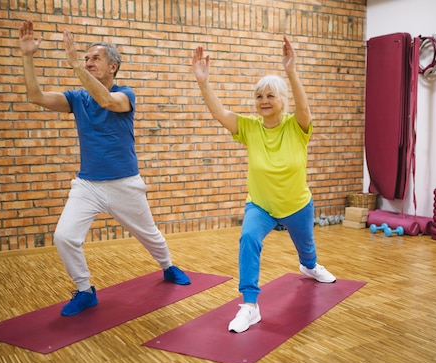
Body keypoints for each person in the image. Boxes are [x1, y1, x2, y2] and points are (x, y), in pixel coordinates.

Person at [18, 20, 191, 317]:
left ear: (113, 66)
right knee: (64, 237)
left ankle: (168, 266)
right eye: (86, 58)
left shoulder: (126, 94)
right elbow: (36, 97)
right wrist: (27, 57)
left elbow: (107, 100)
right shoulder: (77, 98)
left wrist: (75, 66)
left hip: (125, 183)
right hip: (88, 185)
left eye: (95, 58)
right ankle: (85, 290)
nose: (89, 62)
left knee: (150, 235)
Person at [191, 36, 337, 333]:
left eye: (271, 96)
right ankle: (249, 305)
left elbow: (305, 109)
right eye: (259, 97)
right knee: (248, 239)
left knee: (306, 251)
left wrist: (292, 71)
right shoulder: (249, 127)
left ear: (283, 100)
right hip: (261, 205)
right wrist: (203, 82)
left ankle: (309, 266)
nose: (264, 101)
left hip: (297, 205)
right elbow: (220, 114)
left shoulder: (297, 127)